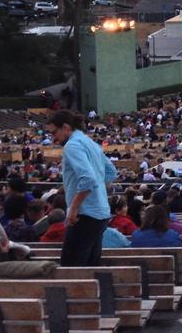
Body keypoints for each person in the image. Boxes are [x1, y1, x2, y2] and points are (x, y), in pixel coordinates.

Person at [47, 110, 117, 266]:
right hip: (100, 213)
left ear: (65, 127)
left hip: (84, 215)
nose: (53, 137)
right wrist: (97, 191)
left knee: (72, 269)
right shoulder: (90, 142)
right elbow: (111, 172)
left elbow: (88, 179)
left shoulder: (72, 145)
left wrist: (73, 207)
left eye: (54, 132)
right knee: (90, 268)